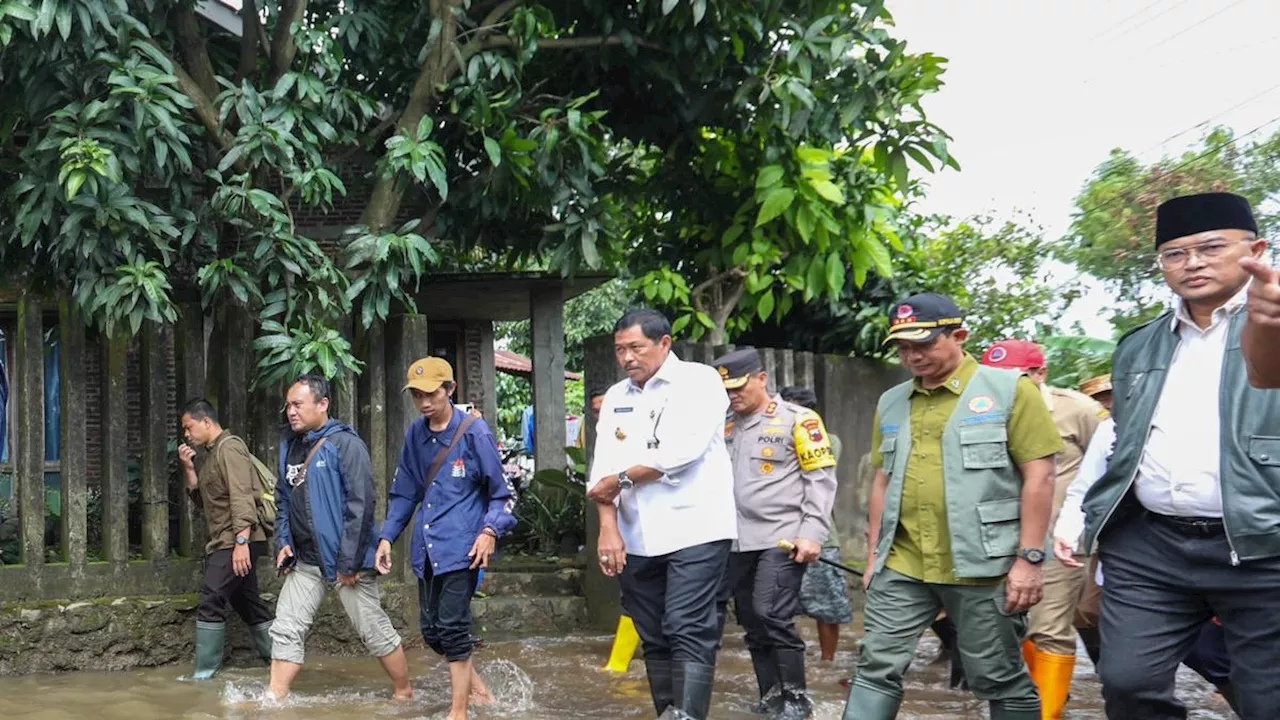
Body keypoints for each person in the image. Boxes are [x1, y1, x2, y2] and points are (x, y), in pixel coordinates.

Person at [1080, 191, 1280, 719]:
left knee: (1268, 700)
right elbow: (1121, 445)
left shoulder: (1273, 321)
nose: (1192, 263)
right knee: (1126, 682)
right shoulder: (1139, 346)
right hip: (1153, 546)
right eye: (1174, 253)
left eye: (1212, 247)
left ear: (1256, 249)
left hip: (1263, 545)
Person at [844, 292, 1061, 720]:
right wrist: (873, 556)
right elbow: (882, 480)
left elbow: (1041, 475)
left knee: (996, 675)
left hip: (983, 563)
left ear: (959, 335)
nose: (913, 357)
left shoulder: (1009, 390)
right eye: (904, 348)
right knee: (875, 665)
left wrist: (1029, 559)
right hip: (904, 562)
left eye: (924, 344)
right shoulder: (891, 401)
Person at [1054, 375, 1240, 714]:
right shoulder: (1113, 429)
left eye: (1113, 395)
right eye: (1106, 397)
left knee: (1233, 661)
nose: (1111, 402)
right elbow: (1089, 486)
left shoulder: (1231, 415)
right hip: (1138, 558)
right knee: (1127, 673)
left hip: (1235, 554)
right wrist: (1069, 529)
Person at [586, 309, 738, 720]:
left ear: (664, 343)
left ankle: (687, 716)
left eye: (636, 347)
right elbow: (601, 472)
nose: (627, 358)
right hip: (636, 536)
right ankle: (668, 713)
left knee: (687, 626)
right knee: (652, 633)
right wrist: (607, 529)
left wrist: (619, 479)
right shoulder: (617, 396)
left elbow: (680, 453)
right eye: (620, 350)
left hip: (697, 529)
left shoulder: (700, 381)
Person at [377, 357, 516, 720]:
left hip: (463, 546)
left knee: (453, 627)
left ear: (450, 390)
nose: (424, 402)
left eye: (431, 393)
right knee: (433, 633)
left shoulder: (474, 433)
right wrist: (387, 537)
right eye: (417, 396)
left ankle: (459, 712)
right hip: (427, 549)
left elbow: (502, 492)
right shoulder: (415, 434)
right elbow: (405, 491)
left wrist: (489, 532)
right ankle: (480, 690)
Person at [978, 339, 1106, 720]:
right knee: (1007, 629)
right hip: (997, 538)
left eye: (1017, 377)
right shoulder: (979, 409)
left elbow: (1111, 465)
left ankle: (1047, 713)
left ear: (1040, 374)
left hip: (1058, 540)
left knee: (1049, 626)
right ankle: (1028, 705)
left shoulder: (1078, 410)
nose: (1005, 387)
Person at [267, 373, 412, 701]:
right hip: (305, 561)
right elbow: (282, 499)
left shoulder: (346, 445)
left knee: (373, 629)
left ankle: (404, 692)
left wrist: (348, 563)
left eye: (298, 404)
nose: (291, 412)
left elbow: (361, 506)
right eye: (288, 405)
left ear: (323, 404)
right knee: (287, 627)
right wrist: (283, 541)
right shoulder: (289, 446)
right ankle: (274, 698)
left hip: (348, 563)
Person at [713, 350, 837, 719]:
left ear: (762, 379)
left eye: (739, 386)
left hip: (781, 537)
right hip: (736, 539)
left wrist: (812, 532)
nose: (733, 395)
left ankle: (797, 699)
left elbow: (821, 480)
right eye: (727, 390)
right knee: (751, 620)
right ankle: (770, 695)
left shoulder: (799, 420)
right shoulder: (724, 425)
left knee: (771, 612)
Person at [178, 399, 273, 679]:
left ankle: (203, 676)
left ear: (206, 422)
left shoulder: (230, 448)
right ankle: (281, 661)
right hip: (232, 540)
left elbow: (242, 497)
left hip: (235, 540)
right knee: (247, 602)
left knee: (212, 598)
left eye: (189, 427)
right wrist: (189, 468)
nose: (186, 434)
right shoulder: (213, 453)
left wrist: (241, 543)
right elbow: (205, 501)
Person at [779, 385, 854, 666]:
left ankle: (827, 661)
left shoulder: (825, 438)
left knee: (827, 605)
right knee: (775, 607)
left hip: (819, 537)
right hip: (777, 534)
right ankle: (791, 659)